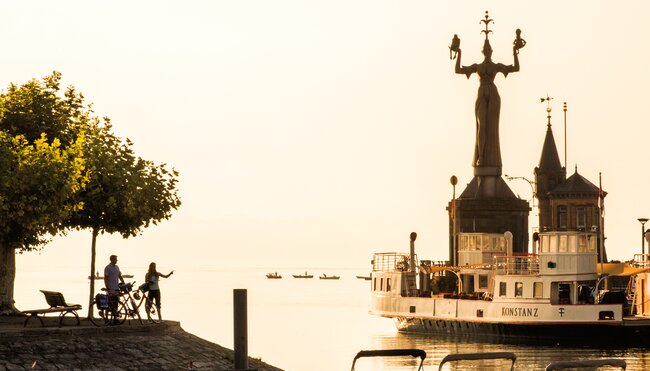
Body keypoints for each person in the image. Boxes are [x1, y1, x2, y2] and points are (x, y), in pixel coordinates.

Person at [454, 37, 520, 170]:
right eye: (486, 49)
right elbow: (458, 70)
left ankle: (491, 157)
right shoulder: (477, 67)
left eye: (489, 49)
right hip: (482, 92)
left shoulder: (496, 66)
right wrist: (458, 53)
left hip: (493, 92)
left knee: (492, 128)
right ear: (482, 51)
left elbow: (516, 68)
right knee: (482, 125)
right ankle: (481, 156)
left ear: (492, 51)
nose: (487, 51)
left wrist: (515, 51)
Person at [104, 255, 125, 320]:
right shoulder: (107, 268)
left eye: (116, 259)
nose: (116, 260)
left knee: (116, 304)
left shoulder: (117, 267)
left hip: (116, 288)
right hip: (110, 288)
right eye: (115, 259)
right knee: (109, 304)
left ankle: (115, 319)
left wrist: (123, 283)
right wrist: (107, 287)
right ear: (111, 259)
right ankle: (107, 319)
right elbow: (106, 278)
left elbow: (120, 276)